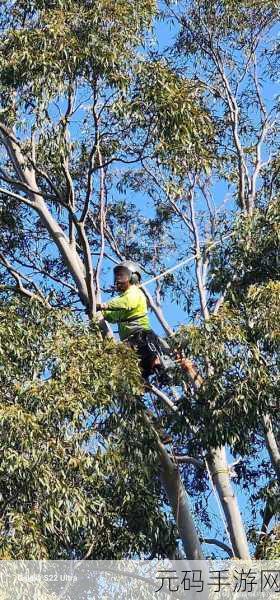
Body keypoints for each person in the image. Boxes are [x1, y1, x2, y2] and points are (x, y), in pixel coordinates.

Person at [96, 261, 165, 379]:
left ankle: (159, 365)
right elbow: (113, 316)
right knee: (135, 372)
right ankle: (142, 383)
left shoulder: (134, 292)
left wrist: (103, 305)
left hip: (142, 336)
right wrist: (99, 313)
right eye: (117, 275)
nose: (118, 279)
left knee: (150, 359)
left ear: (133, 277)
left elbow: (127, 302)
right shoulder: (121, 302)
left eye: (122, 275)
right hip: (131, 342)